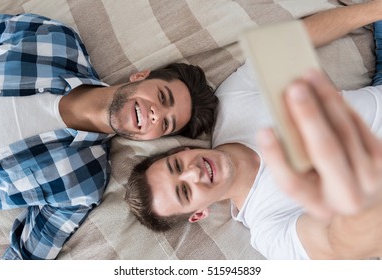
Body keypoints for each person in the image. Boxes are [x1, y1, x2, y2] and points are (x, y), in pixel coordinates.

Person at [125, 1, 382, 259]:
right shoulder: (268, 228)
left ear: (183, 149)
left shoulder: (232, 100)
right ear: (199, 213)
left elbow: (290, 42)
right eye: (185, 191)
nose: (193, 172)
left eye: (177, 166)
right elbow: (335, 245)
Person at [0, 13, 217, 260]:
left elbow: (26, 258)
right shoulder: (57, 41)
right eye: (162, 97)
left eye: (165, 124)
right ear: (141, 75)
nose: (156, 114)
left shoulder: (82, 183)